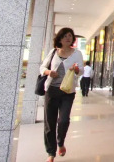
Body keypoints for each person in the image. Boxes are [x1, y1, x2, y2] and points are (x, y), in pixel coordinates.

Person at [40, 27, 84, 162]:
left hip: (67, 91)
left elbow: (81, 70)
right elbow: (42, 68)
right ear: (59, 39)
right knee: (50, 123)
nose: (68, 38)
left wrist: (76, 69)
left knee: (63, 120)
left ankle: (60, 142)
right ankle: (51, 153)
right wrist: (49, 72)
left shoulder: (77, 53)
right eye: (65, 36)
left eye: (70, 36)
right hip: (52, 90)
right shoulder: (53, 52)